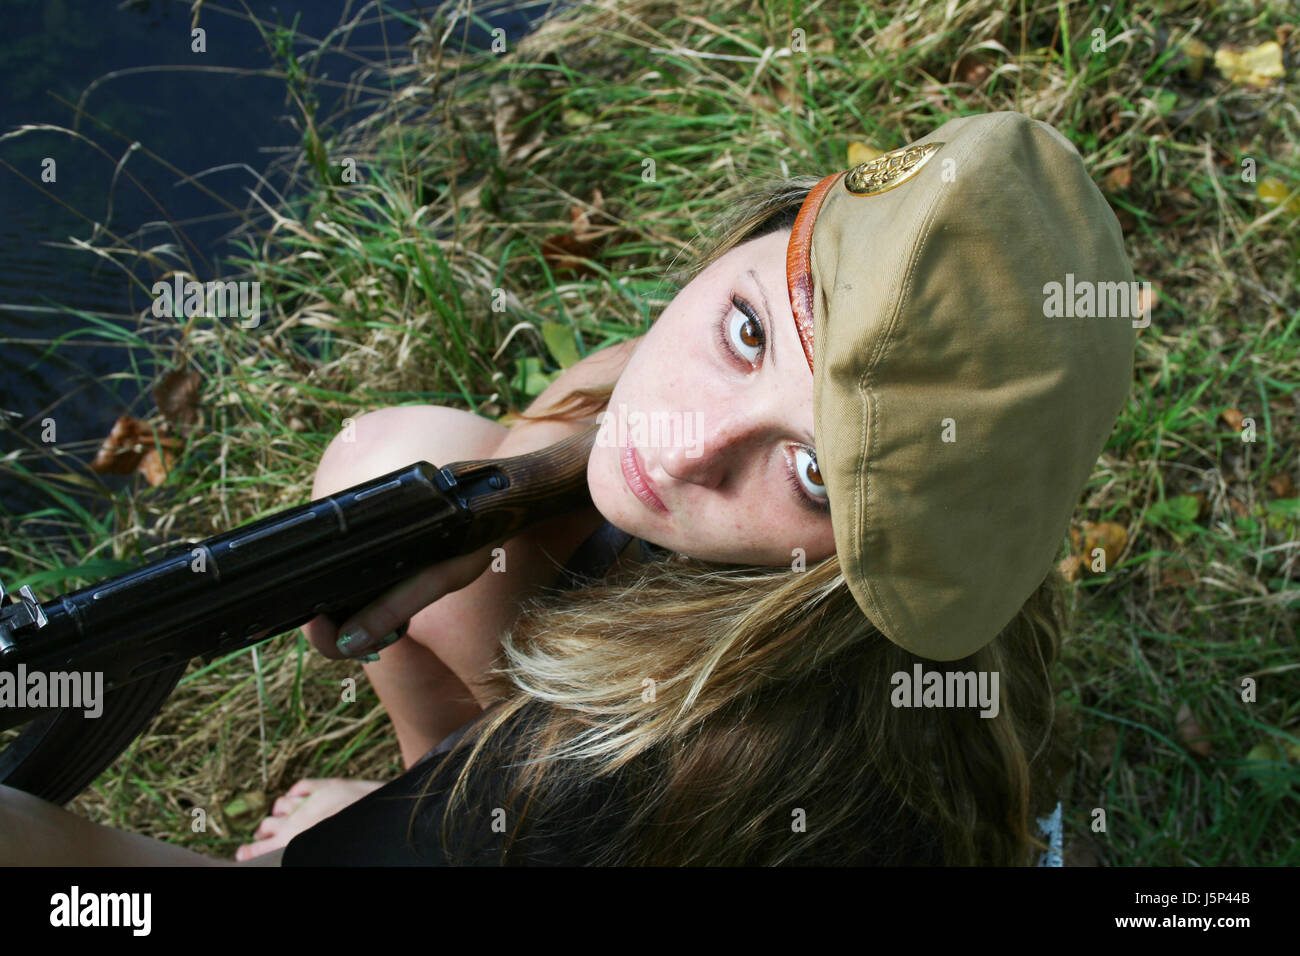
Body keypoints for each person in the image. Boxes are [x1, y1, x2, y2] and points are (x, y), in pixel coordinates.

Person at [0, 111, 1135, 866]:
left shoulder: (660, 779)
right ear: (763, 233)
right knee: (397, 461)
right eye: (745, 331)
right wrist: (504, 494)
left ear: (884, 565)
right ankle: (431, 787)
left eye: (809, 471)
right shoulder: (935, 563)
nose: (690, 442)